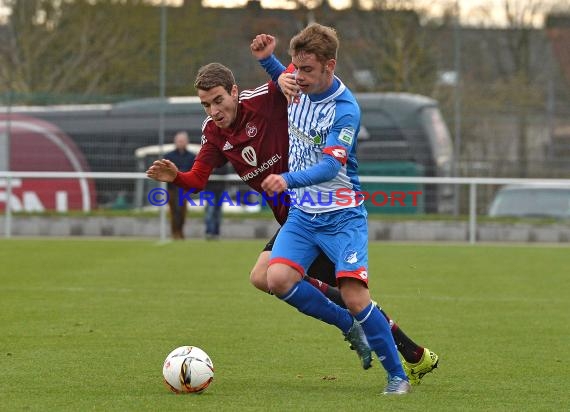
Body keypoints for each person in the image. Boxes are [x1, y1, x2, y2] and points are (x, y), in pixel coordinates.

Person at [146, 62, 437, 384]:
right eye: (205, 104)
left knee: (351, 298)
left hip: (321, 211)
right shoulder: (213, 133)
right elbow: (197, 180)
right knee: (270, 278)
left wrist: (276, 68)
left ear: (233, 92)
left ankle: (411, 356)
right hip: (295, 221)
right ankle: (401, 349)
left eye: (218, 100)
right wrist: (176, 178)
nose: (213, 110)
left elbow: (298, 70)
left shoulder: (262, 100)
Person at [255, 23, 414, 394]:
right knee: (275, 279)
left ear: (330, 65)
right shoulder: (296, 81)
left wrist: (286, 179)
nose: (299, 76)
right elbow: (285, 76)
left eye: (307, 69)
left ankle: (397, 376)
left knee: (357, 295)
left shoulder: (345, 109)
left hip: (342, 216)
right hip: (303, 216)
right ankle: (348, 325)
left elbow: (330, 167)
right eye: (296, 67)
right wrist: (268, 61)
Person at [163, 131, 195, 240]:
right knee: (173, 211)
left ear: (187, 142)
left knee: (182, 211)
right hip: (172, 188)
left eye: (183, 141)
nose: (181, 143)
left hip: (184, 189)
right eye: (179, 141)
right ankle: (174, 233)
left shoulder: (192, 157)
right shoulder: (168, 156)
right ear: (175, 142)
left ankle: (180, 231)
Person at [204, 164, 228, 240]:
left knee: (218, 212)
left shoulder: (223, 162)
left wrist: (212, 171)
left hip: (220, 189)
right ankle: (209, 232)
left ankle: (216, 233)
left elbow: (225, 172)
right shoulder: (206, 160)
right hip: (209, 189)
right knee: (210, 211)